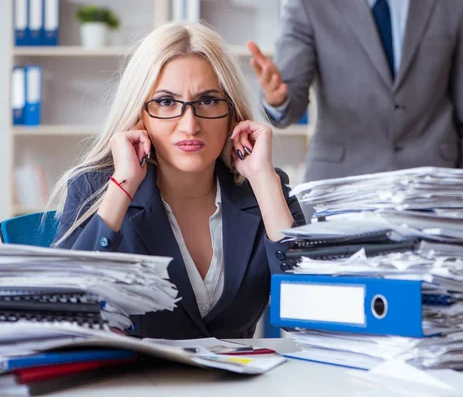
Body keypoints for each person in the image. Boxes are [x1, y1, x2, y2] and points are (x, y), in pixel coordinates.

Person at [49, 22, 306, 340]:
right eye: (166, 102)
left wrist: (264, 181)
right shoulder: (95, 188)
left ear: (232, 113)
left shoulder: (264, 187)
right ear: (139, 114)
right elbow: (61, 315)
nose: (190, 125)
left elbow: (310, 314)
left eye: (208, 101)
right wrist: (123, 187)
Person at [249, 0, 463, 181]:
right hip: (340, 187)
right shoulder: (310, 2)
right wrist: (277, 99)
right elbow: (289, 95)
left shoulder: (455, 2)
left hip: (434, 186)